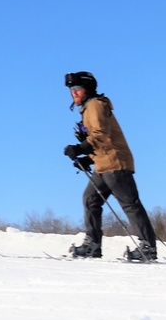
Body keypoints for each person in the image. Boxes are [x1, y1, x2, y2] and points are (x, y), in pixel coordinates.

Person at [62, 71, 158, 261]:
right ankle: (93, 244)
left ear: (87, 89)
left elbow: (100, 135)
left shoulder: (96, 105)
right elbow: (101, 141)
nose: (74, 93)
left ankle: (148, 246)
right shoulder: (89, 108)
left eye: (77, 89)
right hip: (103, 164)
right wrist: (88, 158)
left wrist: (79, 148)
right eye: (71, 89)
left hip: (115, 164)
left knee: (129, 203)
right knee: (90, 199)